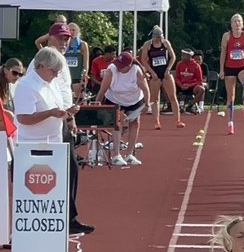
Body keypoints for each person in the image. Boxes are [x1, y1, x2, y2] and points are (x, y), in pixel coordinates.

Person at [14, 47, 93, 235]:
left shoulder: (51, 82)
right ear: (41, 66)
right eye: (53, 70)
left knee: (67, 175)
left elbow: (57, 107)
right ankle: (31, 227)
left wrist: (68, 112)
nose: (56, 74)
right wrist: (50, 113)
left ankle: (64, 219)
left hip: (55, 139)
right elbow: (23, 118)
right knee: (37, 188)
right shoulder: (26, 86)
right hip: (35, 144)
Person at [34, 22, 94, 234]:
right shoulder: (44, 60)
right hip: (51, 124)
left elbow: (64, 91)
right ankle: (63, 217)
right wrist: (61, 114)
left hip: (63, 120)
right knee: (61, 169)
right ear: (49, 38)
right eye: (60, 38)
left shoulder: (62, 60)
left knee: (70, 168)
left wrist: (70, 118)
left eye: (67, 39)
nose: (64, 42)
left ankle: (67, 216)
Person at [96, 50, 151, 166]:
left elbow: (146, 89)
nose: (119, 68)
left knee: (135, 123)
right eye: (118, 65)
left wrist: (147, 104)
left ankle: (129, 154)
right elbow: (102, 90)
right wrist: (97, 104)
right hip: (114, 99)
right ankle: (116, 155)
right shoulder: (111, 70)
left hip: (134, 99)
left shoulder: (136, 71)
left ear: (129, 66)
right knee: (117, 122)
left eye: (122, 66)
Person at [139, 26, 184, 129]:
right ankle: (157, 122)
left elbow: (173, 57)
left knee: (172, 96)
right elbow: (143, 60)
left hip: (166, 73)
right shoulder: (148, 45)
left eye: (160, 37)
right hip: (155, 74)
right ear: (153, 37)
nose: (158, 40)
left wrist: (168, 69)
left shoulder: (165, 43)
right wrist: (151, 72)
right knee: (154, 99)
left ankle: (178, 120)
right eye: (157, 38)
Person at [220, 13, 244, 135]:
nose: (237, 23)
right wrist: (222, 69)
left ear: (242, 23)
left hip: (242, 67)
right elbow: (223, 52)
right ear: (231, 24)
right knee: (231, 98)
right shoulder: (227, 36)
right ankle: (230, 123)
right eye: (234, 21)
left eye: (239, 21)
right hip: (229, 68)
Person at [175, 48, 206, 113]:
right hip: (180, 85)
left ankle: (190, 106)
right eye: (182, 55)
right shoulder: (179, 64)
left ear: (189, 56)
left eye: (184, 55)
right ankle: (171, 106)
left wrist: (189, 85)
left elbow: (199, 80)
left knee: (201, 89)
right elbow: (177, 78)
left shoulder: (196, 66)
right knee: (168, 85)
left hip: (191, 87)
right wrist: (181, 85)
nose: (182, 56)